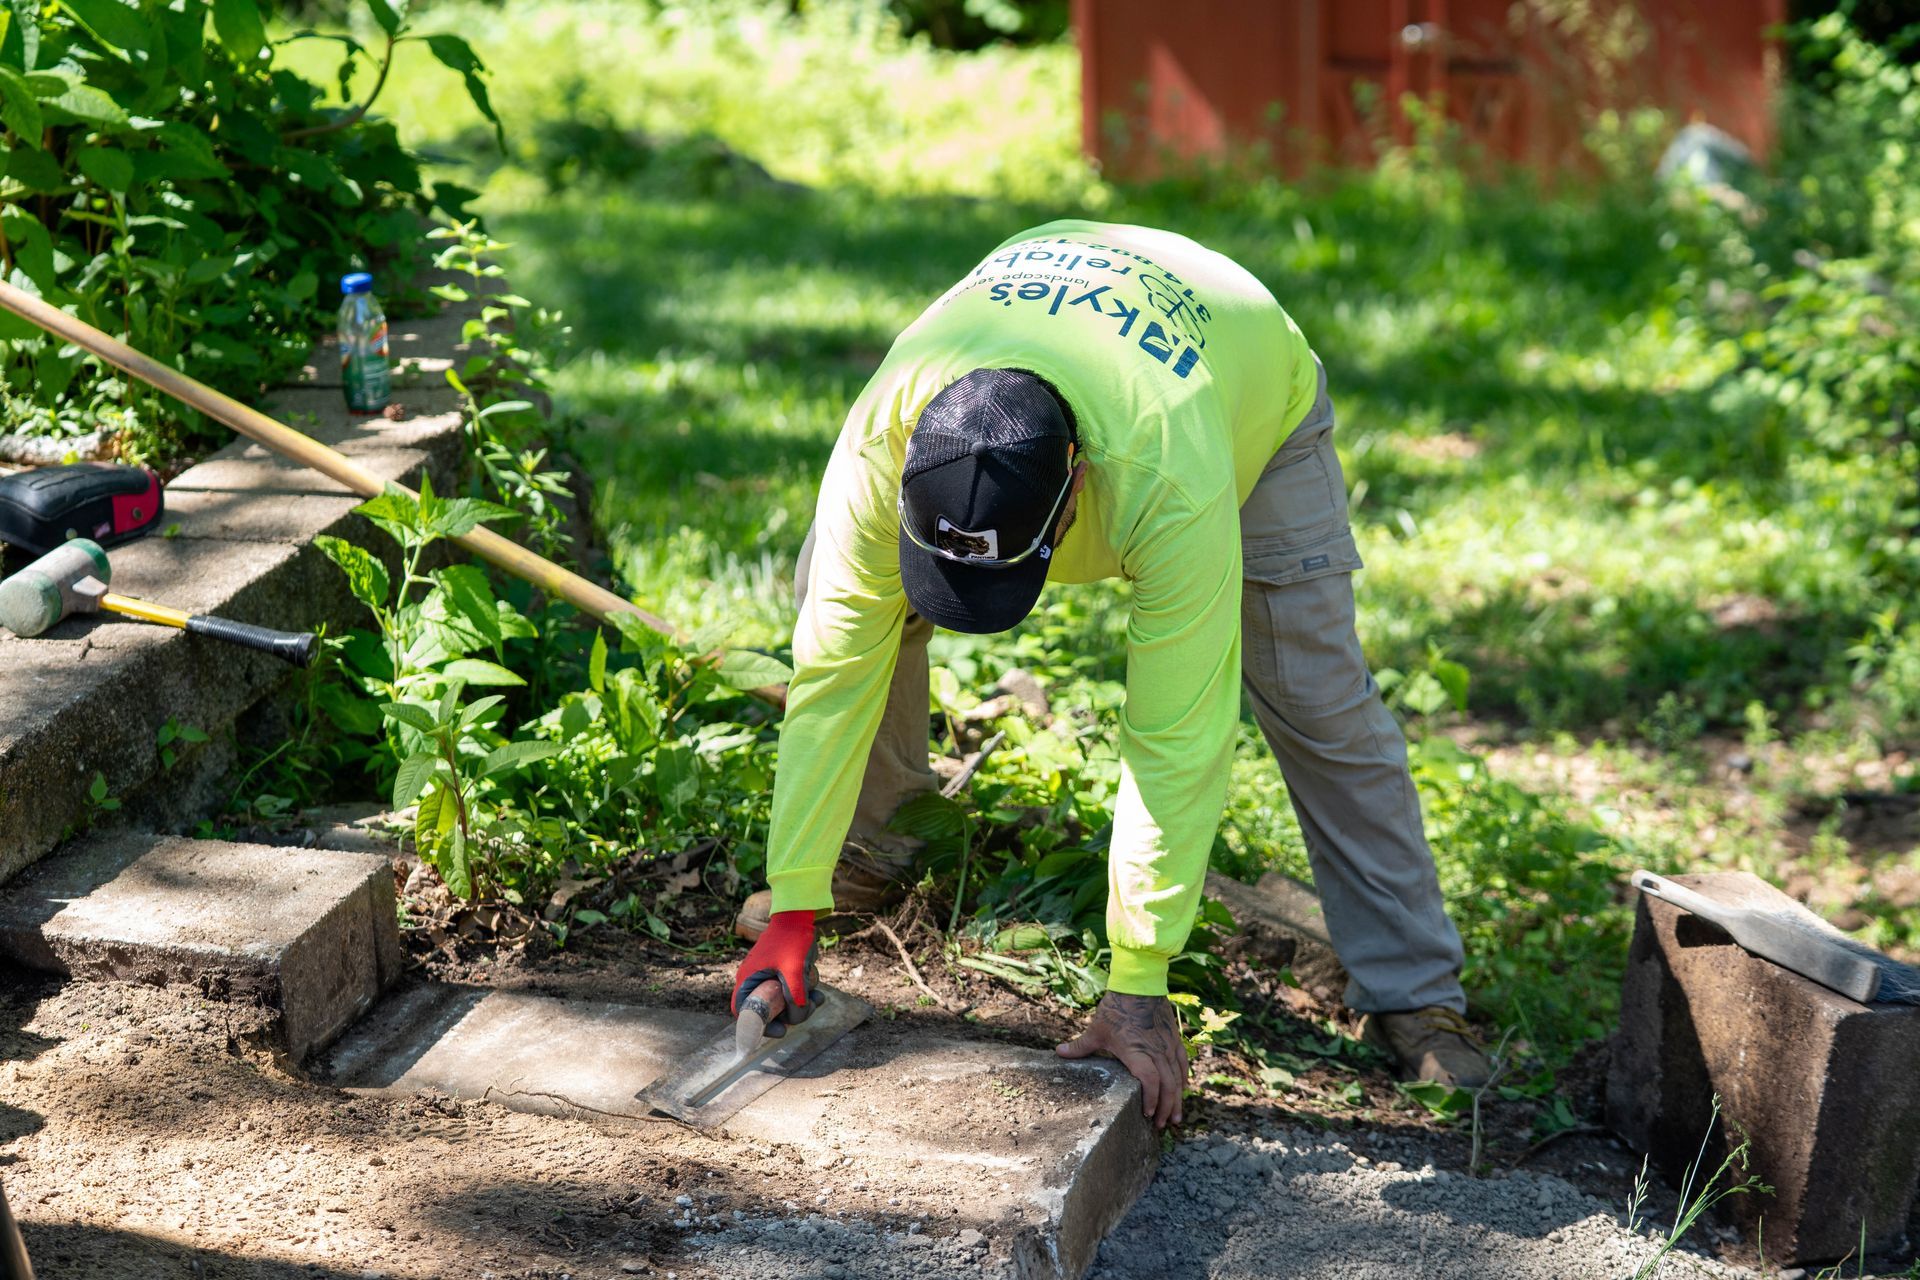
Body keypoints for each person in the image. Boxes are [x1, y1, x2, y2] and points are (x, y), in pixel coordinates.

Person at [729, 220, 1489, 1128]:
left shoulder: (1170, 479)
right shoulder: (886, 440)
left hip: (1241, 380)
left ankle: (1415, 992)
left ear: (1076, 495)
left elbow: (1175, 736)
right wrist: (794, 902)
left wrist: (1139, 981)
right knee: (838, 592)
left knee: (1313, 694)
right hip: (1070, 325)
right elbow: (833, 670)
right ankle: (876, 847)